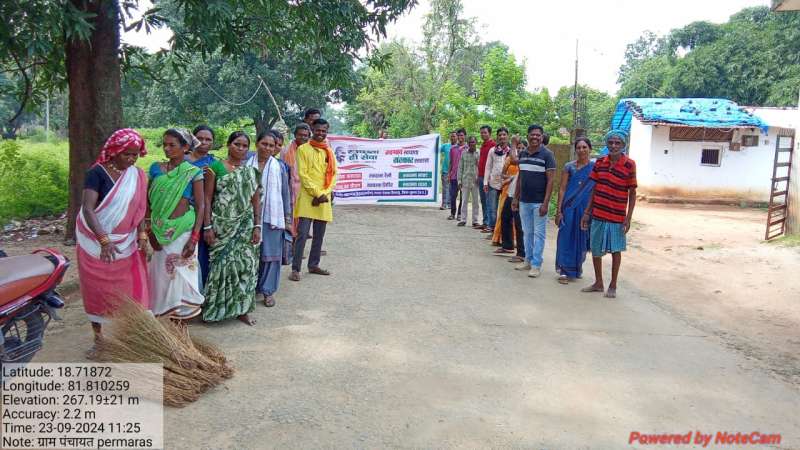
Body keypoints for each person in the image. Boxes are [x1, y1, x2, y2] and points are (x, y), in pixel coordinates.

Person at [76, 129, 150, 349]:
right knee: (96, 291)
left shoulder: (137, 176)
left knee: (130, 290)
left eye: (135, 154)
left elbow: (139, 209)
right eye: (126, 154)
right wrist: (104, 240)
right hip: (94, 243)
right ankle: (99, 338)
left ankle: (131, 335)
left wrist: (142, 234)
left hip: (126, 243)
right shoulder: (96, 173)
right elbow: (88, 209)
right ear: (114, 152)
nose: (131, 159)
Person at [202, 131, 262, 325]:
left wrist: (257, 225)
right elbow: (207, 199)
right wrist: (208, 226)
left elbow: (255, 200)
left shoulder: (250, 171)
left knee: (245, 267)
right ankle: (215, 310)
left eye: (245, 146)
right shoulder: (215, 168)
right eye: (237, 144)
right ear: (228, 145)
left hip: (244, 226)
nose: (241, 149)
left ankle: (242, 309)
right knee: (221, 267)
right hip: (221, 226)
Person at [147, 129, 205, 319]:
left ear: (185, 147)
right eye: (164, 144)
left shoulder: (193, 172)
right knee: (161, 277)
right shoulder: (155, 169)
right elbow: (147, 201)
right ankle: (163, 320)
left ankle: (181, 324)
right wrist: (149, 231)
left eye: (172, 145)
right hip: (158, 231)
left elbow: (201, 204)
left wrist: (195, 238)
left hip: (184, 231)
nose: (167, 149)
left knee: (183, 276)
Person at [580, 130, 637, 298]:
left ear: (623, 145)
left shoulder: (630, 164)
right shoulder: (600, 162)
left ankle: (613, 284)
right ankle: (598, 283)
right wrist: (587, 212)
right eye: (611, 142)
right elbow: (594, 188)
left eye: (617, 143)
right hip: (598, 213)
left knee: (616, 250)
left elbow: (632, 193)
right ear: (606, 144)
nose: (613, 146)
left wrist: (628, 217)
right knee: (595, 249)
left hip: (617, 216)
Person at [248, 131, 292, 307]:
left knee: (271, 256)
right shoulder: (246, 163)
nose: (267, 148)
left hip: (272, 216)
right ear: (257, 144)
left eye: (271, 145)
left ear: (275, 148)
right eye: (264, 144)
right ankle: (250, 289)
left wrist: (287, 218)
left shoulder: (279, 166)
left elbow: (284, 193)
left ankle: (268, 291)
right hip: (248, 216)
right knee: (251, 254)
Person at [289, 118, 337, 281]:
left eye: (324, 131)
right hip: (308, 198)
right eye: (318, 130)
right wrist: (317, 194)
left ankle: (313, 265)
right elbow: (303, 175)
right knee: (302, 234)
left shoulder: (329, 151)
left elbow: (334, 175)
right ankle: (295, 269)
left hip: (324, 199)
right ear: (312, 130)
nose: (321, 133)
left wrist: (325, 193)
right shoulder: (303, 149)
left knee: (319, 234)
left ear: (326, 132)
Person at [511, 124, 556, 278]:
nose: (535, 137)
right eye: (532, 134)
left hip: (539, 202)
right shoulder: (523, 154)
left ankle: (536, 264)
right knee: (527, 232)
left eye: (538, 135)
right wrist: (516, 198)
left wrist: (545, 203)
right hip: (524, 201)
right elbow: (520, 178)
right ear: (528, 135)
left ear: (542, 137)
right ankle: (528, 260)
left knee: (539, 234)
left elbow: (551, 181)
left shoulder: (547, 155)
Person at [554, 137, 595, 284]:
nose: (582, 150)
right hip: (569, 207)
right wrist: (559, 210)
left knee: (581, 238)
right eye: (579, 147)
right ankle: (565, 271)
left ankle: (576, 269)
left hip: (585, 208)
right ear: (575, 149)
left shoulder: (595, 167)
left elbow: (594, 190)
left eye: (584, 147)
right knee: (565, 236)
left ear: (590, 149)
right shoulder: (569, 167)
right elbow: (563, 188)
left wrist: (589, 211)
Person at [187, 125, 216, 288]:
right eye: (200, 138)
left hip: (205, 216)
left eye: (208, 139)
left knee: (202, 255)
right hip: (183, 215)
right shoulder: (181, 161)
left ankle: (200, 292)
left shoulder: (214, 163)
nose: (203, 142)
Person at [281, 123, 311, 236]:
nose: (303, 137)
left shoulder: (311, 151)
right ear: (295, 135)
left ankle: (298, 251)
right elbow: (283, 171)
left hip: (306, 191)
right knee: (290, 222)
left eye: (306, 135)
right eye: (300, 135)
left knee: (304, 224)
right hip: (290, 191)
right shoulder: (285, 151)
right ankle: (291, 251)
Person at [491, 132, 518, 252]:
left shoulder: (524, 159)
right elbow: (502, 175)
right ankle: (500, 239)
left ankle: (514, 241)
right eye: (518, 147)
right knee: (503, 214)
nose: (520, 149)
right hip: (507, 189)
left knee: (515, 218)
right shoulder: (508, 159)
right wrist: (510, 178)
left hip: (519, 191)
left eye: (522, 148)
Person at [483, 127, 510, 235]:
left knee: (503, 209)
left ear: (507, 136)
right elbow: (488, 167)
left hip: (507, 184)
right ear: (497, 137)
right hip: (493, 182)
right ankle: (493, 230)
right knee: (492, 209)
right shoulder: (493, 150)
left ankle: (501, 233)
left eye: (504, 134)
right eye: (500, 135)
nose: (502, 137)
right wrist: (485, 182)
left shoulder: (511, 151)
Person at [457, 136, 480, 227]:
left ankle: (475, 220)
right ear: (468, 143)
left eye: (473, 142)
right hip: (465, 180)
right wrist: (459, 180)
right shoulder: (463, 153)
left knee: (476, 202)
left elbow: (480, 166)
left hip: (476, 181)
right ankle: (463, 219)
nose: (472, 144)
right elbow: (460, 167)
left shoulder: (479, 153)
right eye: (470, 142)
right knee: (464, 201)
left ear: (476, 143)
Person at [477, 125, 496, 231]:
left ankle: (490, 224)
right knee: (483, 200)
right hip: (480, 176)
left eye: (485, 132)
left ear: (490, 133)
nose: (483, 134)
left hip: (488, 178)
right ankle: (485, 222)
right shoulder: (483, 145)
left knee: (489, 201)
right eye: (481, 133)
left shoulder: (493, 145)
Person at [448, 128, 467, 221]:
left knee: (463, 197)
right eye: (459, 135)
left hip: (464, 177)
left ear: (465, 136)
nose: (460, 137)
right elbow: (451, 162)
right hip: (454, 176)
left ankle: (460, 214)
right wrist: (449, 174)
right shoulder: (453, 149)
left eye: (462, 135)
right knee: (452, 196)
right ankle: (452, 213)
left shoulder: (468, 148)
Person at [440, 132, 456, 210]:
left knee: (452, 189)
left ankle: (450, 204)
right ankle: (444, 204)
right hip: (445, 170)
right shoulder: (446, 146)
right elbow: (437, 148)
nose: (452, 138)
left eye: (454, 136)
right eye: (451, 136)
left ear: (457, 137)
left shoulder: (459, 147)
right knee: (445, 188)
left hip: (455, 172)